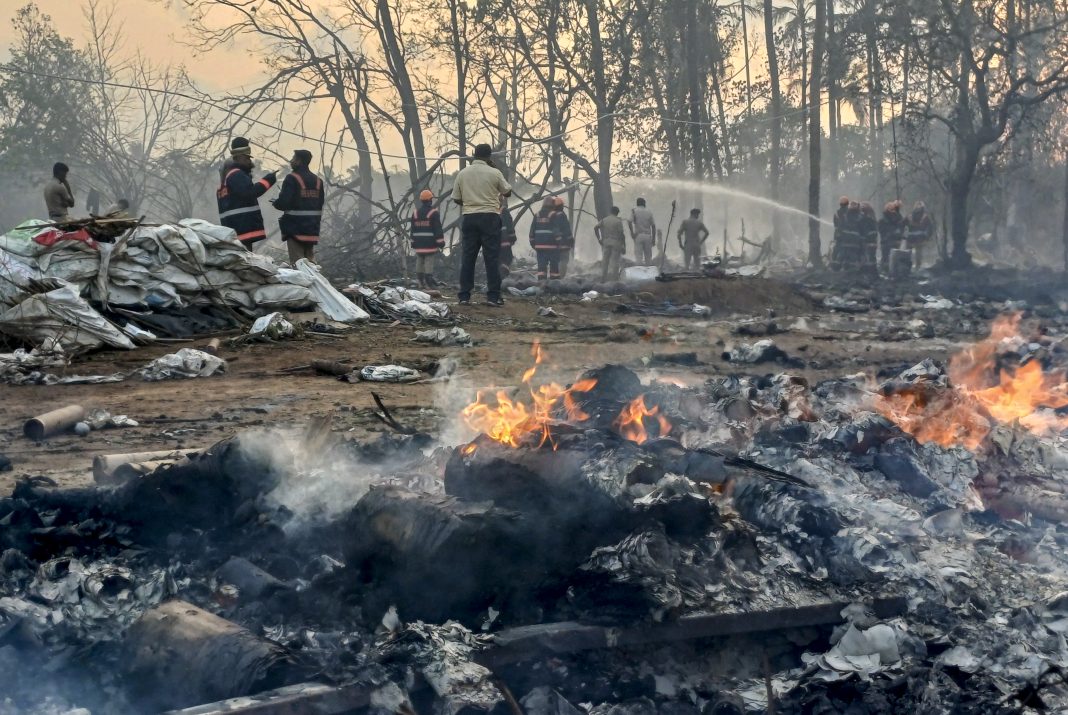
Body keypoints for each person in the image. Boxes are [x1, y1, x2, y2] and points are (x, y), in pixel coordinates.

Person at [452, 143, 512, 306]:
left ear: (474, 154)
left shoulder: (463, 173)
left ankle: (464, 296)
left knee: (468, 257)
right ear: (489, 156)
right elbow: (507, 192)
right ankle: (493, 297)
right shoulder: (494, 172)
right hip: (490, 217)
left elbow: (456, 198)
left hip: (469, 217)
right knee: (491, 258)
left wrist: (470, 202)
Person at [217, 137, 277, 249]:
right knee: (245, 257)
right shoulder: (236, 174)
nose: (249, 162)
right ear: (239, 157)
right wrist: (268, 180)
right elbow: (250, 193)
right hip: (242, 226)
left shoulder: (227, 177)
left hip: (234, 227)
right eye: (247, 158)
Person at [272, 149, 324, 264]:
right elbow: (320, 204)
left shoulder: (291, 178)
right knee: (311, 263)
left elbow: (284, 202)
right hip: (312, 229)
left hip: (295, 229)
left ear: (299, 161)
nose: (291, 161)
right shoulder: (318, 181)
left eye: (293, 158)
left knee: (298, 264)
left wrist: (276, 203)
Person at [410, 189, 445, 288]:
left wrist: (412, 242)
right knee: (428, 261)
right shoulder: (434, 213)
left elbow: (412, 229)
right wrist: (441, 242)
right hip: (430, 244)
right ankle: (429, 282)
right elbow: (437, 229)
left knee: (420, 260)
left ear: (421, 200)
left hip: (418, 244)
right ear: (430, 200)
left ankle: (420, 282)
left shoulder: (415, 213)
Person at [530, 197, 564, 282]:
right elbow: (556, 231)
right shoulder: (553, 215)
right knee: (554, 268)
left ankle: (542, 285)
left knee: (541, 268)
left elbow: (532, 232)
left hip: (540, 247)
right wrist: (560, 243)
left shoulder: (537, 215)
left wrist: (533, 244)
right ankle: (554, 284)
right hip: (552, 247)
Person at [595, 206, 627, 282]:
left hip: (606, 242)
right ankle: (614, 279)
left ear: (611, 211)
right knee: (615, 261)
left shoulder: (604, 220)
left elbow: (596, 228)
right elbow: (621, 234)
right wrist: (623, 246)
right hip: (616, 242)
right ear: (617, 213)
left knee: (605, 261)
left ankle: (603, 278)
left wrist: (599, 239)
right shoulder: (618, 221)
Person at [878, 200, 906, 270]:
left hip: (895, 241)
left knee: (895, 256)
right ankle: (884, 269)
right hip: (885, 241)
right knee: (885, 256)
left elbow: (901, 227)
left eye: (892, 208)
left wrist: (899, 235)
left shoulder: (898, 217)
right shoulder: (882, 219)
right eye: (889, 207)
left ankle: (893, 269)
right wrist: (888, 234)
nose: (891, 209)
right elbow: (881, 229)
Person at [628, 198, 657, 266]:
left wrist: (632, 233)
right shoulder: (649, 212)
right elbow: (653, 226)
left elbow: (629, 222)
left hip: (638, 236)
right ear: (644, 203)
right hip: (647, 236)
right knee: (648, 257)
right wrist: (653, 239)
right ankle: (648, 270)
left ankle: (639, 270)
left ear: (637, 203)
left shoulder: (634, 211)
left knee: (638, 256)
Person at [906, 201, 934, 268]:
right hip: (913, 237)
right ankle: (910, 266)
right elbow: (904, 224)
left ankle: (915, 266)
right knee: (910, 253)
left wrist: (927, 236)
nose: (918, 207)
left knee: (916, 253)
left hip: (917, 237)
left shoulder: (924, 216)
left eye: (919, 205)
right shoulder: (912, 215)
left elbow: (929, 227)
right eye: (917, 205)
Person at [554, 196, 574, 277]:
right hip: (563, 242)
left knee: (556, 260)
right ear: (560, 206)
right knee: (564, 260)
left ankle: (555, 276)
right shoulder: (562, 216)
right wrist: (571, 240)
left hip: (553, 244)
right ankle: (561, 278)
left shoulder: (551, 215)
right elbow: (566, 229)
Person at [859, 202, 879, 273]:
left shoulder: (862, 220)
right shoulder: (872, 220)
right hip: (872, 242)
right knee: (871, 258)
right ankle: (872, 271)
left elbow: (862, 232)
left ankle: (866, 271)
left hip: (866, 243)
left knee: (865, 258)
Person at [499, 200, 516, 275]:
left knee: (498, 261)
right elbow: (509, 226)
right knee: (508, 259)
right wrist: (513, 238)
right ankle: (503, 274)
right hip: (504, 242)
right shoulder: (504, 211)